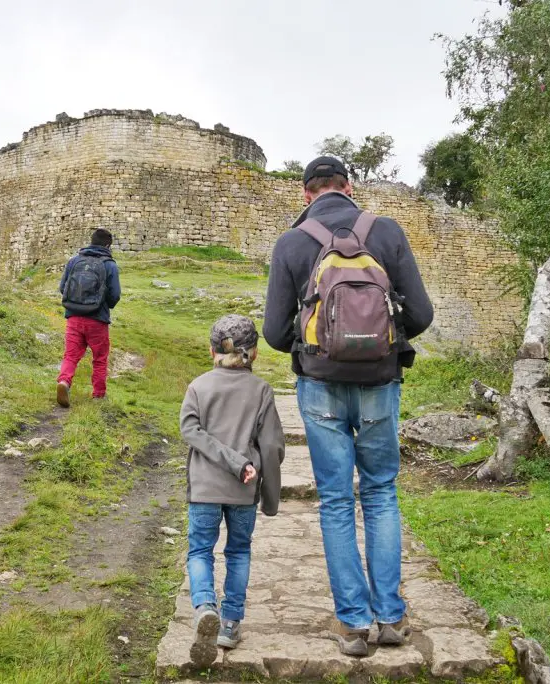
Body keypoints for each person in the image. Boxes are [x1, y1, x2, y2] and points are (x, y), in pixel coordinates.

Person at [262, 156, 433, 657]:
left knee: (337, 500)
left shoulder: (293, 242)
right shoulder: (385, 231)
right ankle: (392, 618)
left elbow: (274, 333)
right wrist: (381, 343)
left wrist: (318, 346)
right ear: (349, 187)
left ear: (305, 194)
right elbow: (420, 313)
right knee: (380, 493)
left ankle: (354, 625)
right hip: (381, 383)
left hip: (320, 386)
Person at [179, 314, 286, 667]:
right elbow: (271, 448)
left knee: (199, 552)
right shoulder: (261, 391)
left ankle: (205, 606)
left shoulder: (198, 387)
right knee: (238, 552)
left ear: (212, 350)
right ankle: (228, 624)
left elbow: (190, 431)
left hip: (205, 489)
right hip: (244, 490)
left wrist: (224, 459)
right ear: (253, 353)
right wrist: (266, 492)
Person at [57, 228, 121, 407]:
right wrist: (102, 304)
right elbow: (115, 295)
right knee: (100, 358)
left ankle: (64, 382)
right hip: (97, 320)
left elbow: (63, 287)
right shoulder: (109, 265)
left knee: (70, 355)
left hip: (74, 318)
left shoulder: (74, 261)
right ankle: (98, 395)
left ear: (91, 241)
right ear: (108, 245)